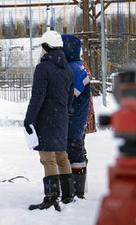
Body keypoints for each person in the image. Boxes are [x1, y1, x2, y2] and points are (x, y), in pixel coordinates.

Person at [24, 30, 75, 211]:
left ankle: (52, 197)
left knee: (48, 158)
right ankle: (68, 195)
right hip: (61, 118)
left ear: (45, 47)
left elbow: (37, 97)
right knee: (62, 156)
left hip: (46, 118)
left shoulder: (43, 68)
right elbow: (70, 99)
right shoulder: (67, 69)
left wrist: (28, 120)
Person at [61, 34, 91, 199]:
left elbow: (68, 97)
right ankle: (73, 188)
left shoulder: (75, 70)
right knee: (73, 153)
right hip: (72, 122)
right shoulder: (73, 67)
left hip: (73, 122)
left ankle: (77, 190)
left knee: (74, 154)